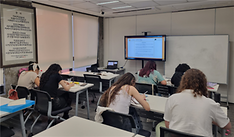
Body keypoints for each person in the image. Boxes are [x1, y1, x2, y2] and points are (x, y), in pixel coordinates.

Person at [163, 69, 231, 137]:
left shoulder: (172, 99)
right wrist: (212, 121)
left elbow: (167, 123)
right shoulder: (210, 104)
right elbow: (227, 126)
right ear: (203, 84)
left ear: (182, 82)